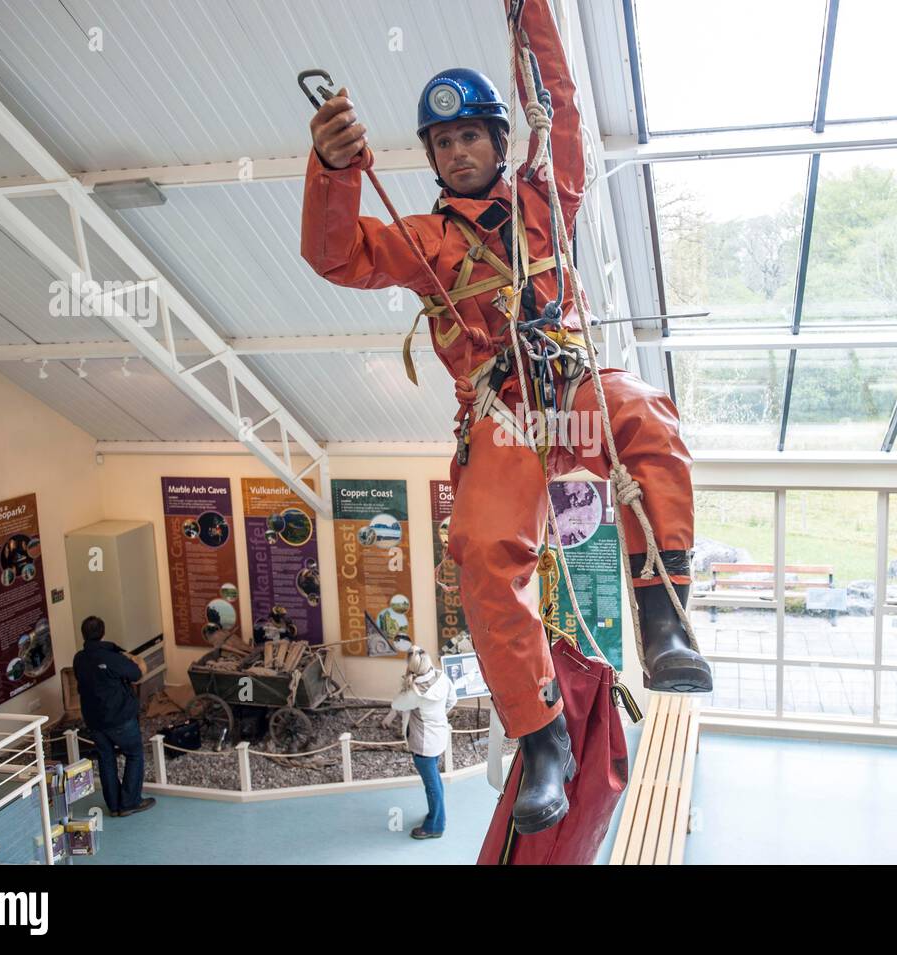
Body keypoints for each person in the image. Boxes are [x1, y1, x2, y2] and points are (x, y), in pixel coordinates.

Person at [300, 0, 710, 835]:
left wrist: (532, 10)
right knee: (481, 550)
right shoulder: (423, 241)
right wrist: (333, 167)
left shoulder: (546, 194)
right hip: (506, 419)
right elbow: (336, 254)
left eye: (469, 137)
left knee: (648, 420)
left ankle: (663, 617)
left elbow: (555, 99)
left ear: (496, 137)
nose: (455, 152)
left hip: (573, 397)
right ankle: (541, 735)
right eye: (441, 144)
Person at [72, 616, 154, 817]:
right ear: (103, 632)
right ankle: (130, 802)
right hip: (118, 717)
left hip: (94, 719)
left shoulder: (79, 659)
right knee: (134, 754)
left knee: (106, 759)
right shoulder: (110, 657)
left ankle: (114, 806)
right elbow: (135, 673)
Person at [385, 648, 457, 839]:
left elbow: (396, 704)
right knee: (436, 781)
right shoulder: (442, 678)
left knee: (431, 785)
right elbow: (452, 700)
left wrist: (406, 683)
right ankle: (435, 815)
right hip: (439, 736)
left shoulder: (415, 692)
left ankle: (435, 826)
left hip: (423, 743)